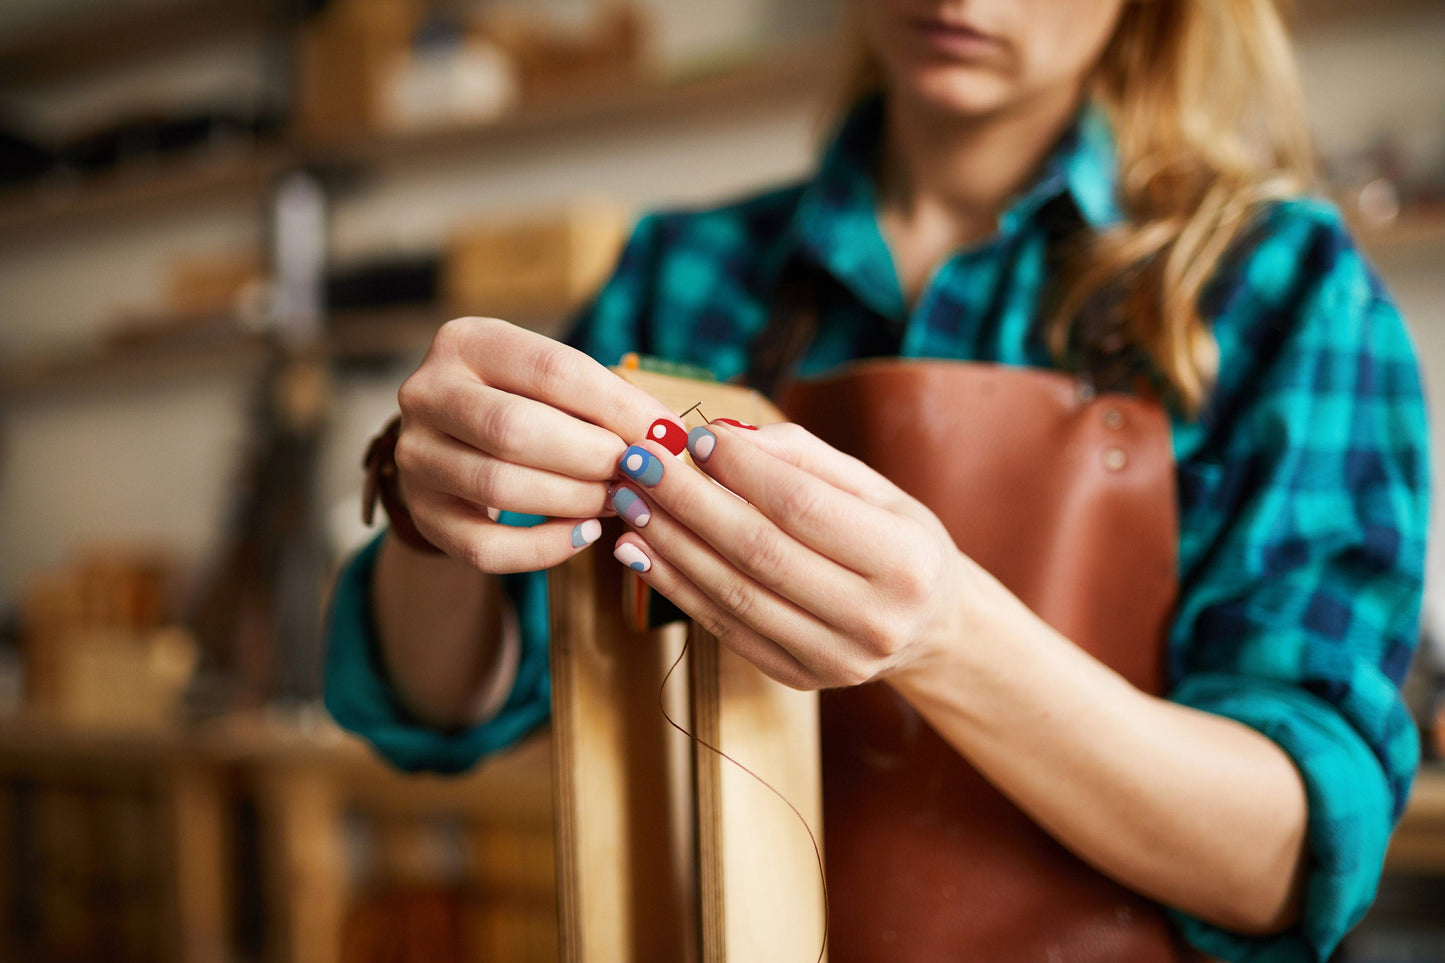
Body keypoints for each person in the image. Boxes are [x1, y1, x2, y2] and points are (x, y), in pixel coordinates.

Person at [323, 0, 1432, 960]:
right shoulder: (682, 277)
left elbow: (1283, 861)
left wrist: (945, 632)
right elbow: (439, 710)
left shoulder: (1279, 294)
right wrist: (440, 515)